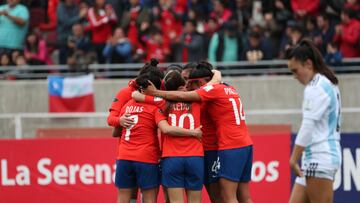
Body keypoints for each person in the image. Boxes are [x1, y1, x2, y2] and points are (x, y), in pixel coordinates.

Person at [144, 61, 253, 203]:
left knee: (225, 197)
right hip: (244, 143)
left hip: (223, 147)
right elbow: (215, 77)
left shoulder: (205, 95)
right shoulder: (228, 88)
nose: (187, 86)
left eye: (189, 82)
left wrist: (155, 93)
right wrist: (216, 74)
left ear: (201, 82)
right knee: (244, 197)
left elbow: (181, 97)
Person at [115, 71, 202, 203]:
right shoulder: (197, 101)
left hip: (171, 158)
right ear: (180, 88)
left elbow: (165, 129)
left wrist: (137, 94)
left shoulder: (161, 104)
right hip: (194, 156)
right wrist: (193, 133)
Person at [287, 39, 342, 203]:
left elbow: (307, 126)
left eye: (296, 71)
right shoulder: (326, 82)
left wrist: (293, 158)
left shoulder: (315, 88)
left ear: (309, 64)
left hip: (320, 157)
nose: (295, 76)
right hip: (313, 158)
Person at [107, 58, 164, 203]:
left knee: (125, 197)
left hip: (126, 155)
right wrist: (119, 121)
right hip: (146, 156)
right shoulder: (129, 95)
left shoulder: (128, 104)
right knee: (146, 196)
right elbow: (111, 120)